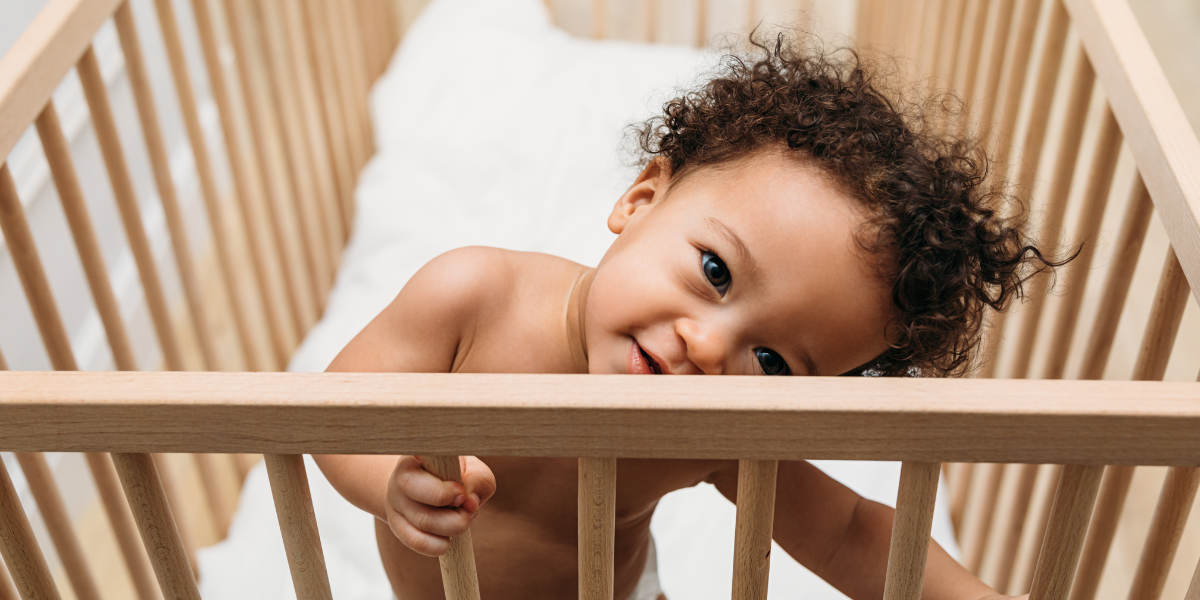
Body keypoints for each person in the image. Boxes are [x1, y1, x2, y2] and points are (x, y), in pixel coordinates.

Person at [315, 36, 1057, 600]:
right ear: (641, 200)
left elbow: (847, 532)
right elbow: (334, 406)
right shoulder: (474, 296)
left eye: (772, 363)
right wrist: (388, 480)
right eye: (715, 272)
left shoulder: (718, 424)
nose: (707, 347)